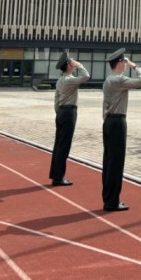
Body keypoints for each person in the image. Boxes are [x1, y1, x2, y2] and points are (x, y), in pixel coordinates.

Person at [102, 48, 141, 212]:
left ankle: (108, 197)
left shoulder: (108, 80)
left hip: (108, 121)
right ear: (119, 63)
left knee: (109, 161)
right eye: (125, 61)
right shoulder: (119, 79)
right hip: (117, 122)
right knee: (116, 163)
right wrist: (136, 67)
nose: (126, 63)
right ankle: (112, 202)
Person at [49, 51, 90, 187]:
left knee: (58, 144)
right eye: (71, 62)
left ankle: (55, 174)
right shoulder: (69, 80)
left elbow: (56, 99)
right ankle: (59, 178)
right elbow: (86, 76)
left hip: (61, 111)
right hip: (68, 112)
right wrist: (79, 65)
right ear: (69, 65)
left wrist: (58, 111)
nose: (73, 63)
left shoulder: (60, 80)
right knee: (64, 146)